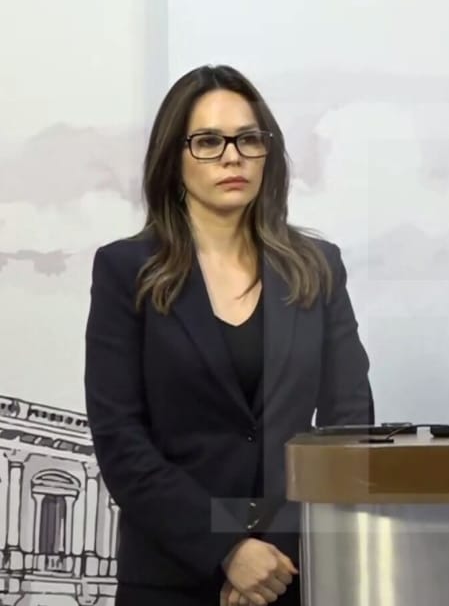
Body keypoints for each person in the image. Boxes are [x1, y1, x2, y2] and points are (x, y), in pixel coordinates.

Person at [84, 65, 375, 606]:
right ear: (174, 158)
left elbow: (349, 422)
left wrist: (272, 547)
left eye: (248, 139)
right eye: (208, 142)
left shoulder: (317, 266)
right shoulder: (127, 270)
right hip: (171, 575)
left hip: (294, 570)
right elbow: (121, 439)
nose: (233, 156)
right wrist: (229, 548)